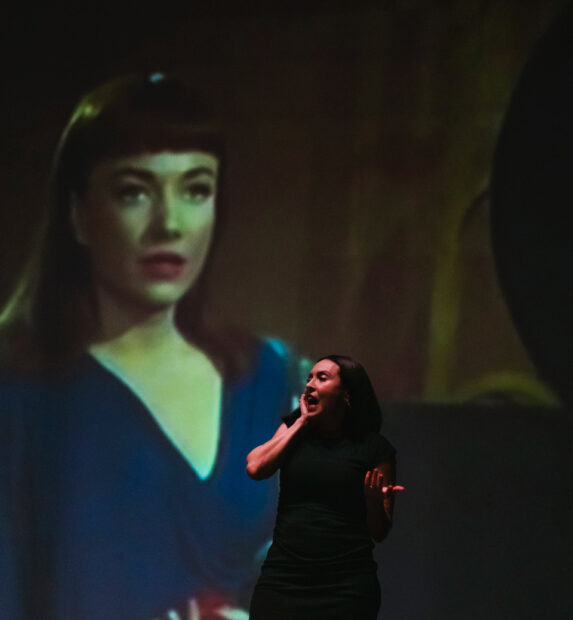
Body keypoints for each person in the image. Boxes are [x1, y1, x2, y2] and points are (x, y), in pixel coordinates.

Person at [0, 72, 305, 620]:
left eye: (195, 190)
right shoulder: (20, 390)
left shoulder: (267, 378)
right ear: (79, 214)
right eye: (134, 192)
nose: (169, 223)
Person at [247, 355, 402, 619]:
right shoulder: (293, 429)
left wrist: (373, 501)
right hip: (284, 579)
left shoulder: (373, 448)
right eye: (309, 378)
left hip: (345, 586)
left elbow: (380, 531)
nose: (310, 385)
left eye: (322, 378)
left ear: (347, 394)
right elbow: (256, 467)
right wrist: (300, 424)